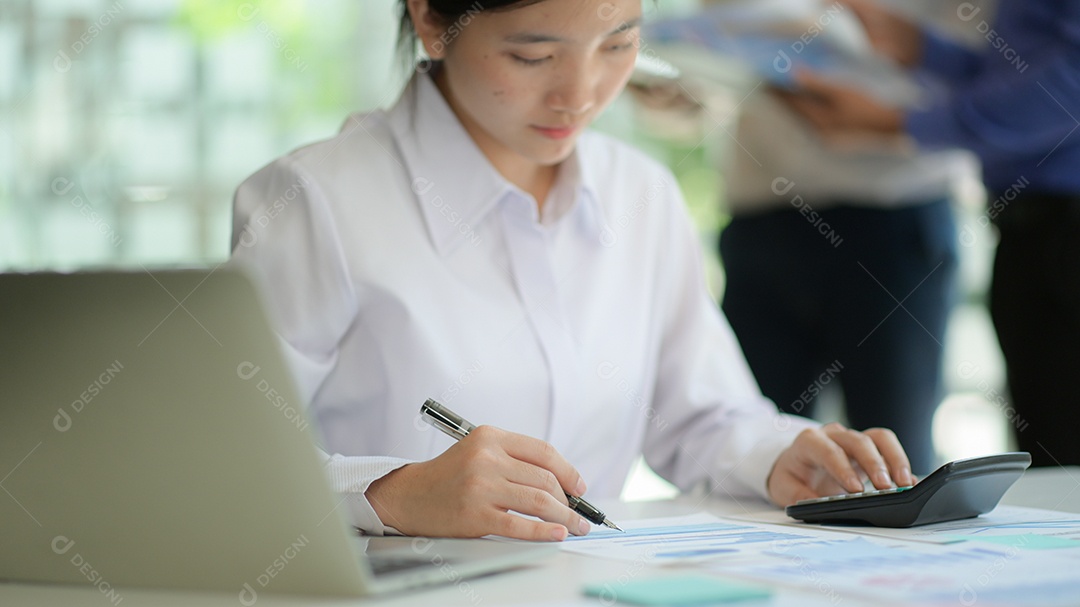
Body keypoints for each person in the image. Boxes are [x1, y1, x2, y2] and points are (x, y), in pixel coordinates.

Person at [229, 0, 913, 542]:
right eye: (533, 55)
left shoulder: (639, 194)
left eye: (619, 43)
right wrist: (394, 491)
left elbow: (700, 416)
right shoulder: (313, 201)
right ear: (432, 20)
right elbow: (211, 467)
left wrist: (784, 453)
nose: (579, 95)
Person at [780, 0, 1080, 467]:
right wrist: (923, 50)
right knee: (1051, 448)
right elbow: (1024, 71)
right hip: (1031, 230)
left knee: (1062, 461)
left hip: (1060, 229)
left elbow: (1068, 86)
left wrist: (900, 122)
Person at [708, 0, 979, 475]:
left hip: (892, 210)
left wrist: (891, 119)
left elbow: (1009, 66)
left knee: (894, 459)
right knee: (752, 460)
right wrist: (691, 91)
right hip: (759, 209)